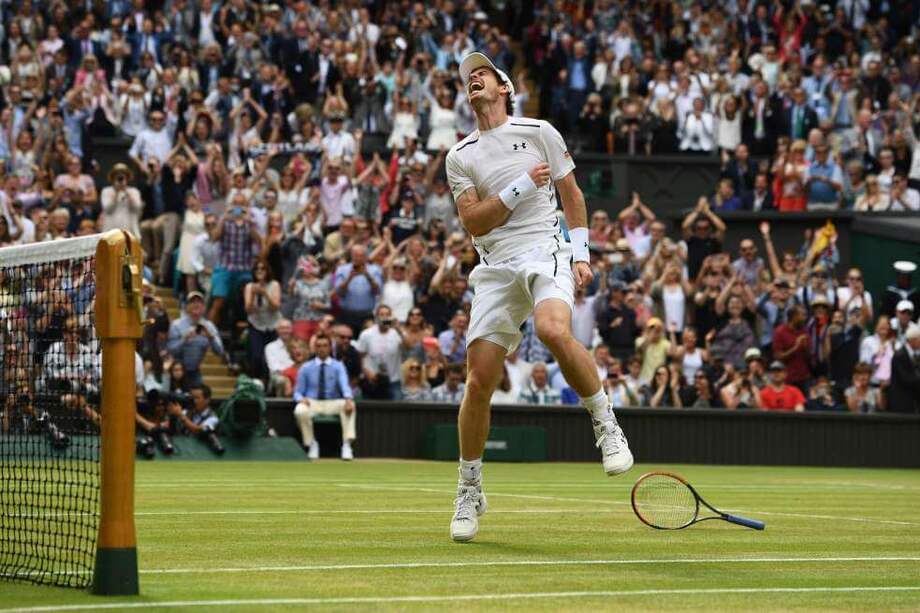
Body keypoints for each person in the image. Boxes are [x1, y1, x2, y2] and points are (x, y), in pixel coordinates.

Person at [442, 52, 633, 543]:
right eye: (468, 78)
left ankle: (606, 424)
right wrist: (521, 186)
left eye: (482, 74)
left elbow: (573, 195)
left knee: (552, 329)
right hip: (495, 266)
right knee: (479, 380)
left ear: (504, 87)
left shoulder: (541, 130)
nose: (473, 80)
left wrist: (581, 253)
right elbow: (474, 222)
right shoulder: (460, 155)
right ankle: (470, 487)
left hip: (545, 248)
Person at [293, 335, 357, 460]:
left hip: (333, 402)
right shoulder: (306, 367)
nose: (322, 349)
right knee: (299, 410)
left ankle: (347, 445)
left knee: (350, 405)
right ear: (315, 349)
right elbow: (297, 392)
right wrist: (301, 399)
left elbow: (345, 385)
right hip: (312, 403)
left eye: (325, 346)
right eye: (318, 346)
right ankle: (311, 444)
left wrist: (348, 399)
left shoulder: (338, 366)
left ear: (330, 348)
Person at [165, 291, 224, 386]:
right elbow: (170, 350)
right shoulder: (176, 325)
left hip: (195, 370)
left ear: (204, 307)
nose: (196, 304)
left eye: (199, 302)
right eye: (192, 302)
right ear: (187, 306)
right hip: (176, 370)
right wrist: (184, 339)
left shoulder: (209, 326)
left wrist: (211, 337)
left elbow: (220, 351)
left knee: (200, 395)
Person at [355, 304, 403, 400]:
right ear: (376, 317)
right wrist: (366, 372)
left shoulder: (397, 333)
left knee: (397, 410)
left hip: (393, 379)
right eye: (381, 314)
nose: (384, 317)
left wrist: (399, 329)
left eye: (387, 314)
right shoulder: (366, 334)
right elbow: (360, 356)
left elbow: (409, 348)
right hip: (372, 379)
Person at [167, 384, 224, 455]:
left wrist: (181, 415)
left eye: (196, 398)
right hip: (184, 450)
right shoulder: (187, 412)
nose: (193, 401)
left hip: (204, 452)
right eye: (192, 397)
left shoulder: (213, 418)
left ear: (207, 400)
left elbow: (198, 430)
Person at [887, 324, 920, 414]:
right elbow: (905, 378)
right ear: (912, 340)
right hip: (901, 402)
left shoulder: (915, 355)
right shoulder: (900, 355)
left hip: (912, 400)